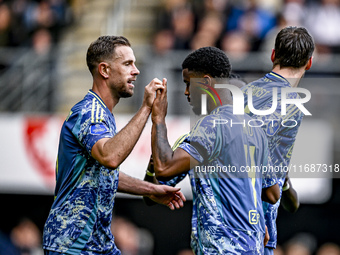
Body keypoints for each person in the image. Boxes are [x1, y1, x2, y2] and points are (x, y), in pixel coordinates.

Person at [42, 35, 186, 255]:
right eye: (128, 64)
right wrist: (146, 108)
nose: (136, 71)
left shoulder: (103, 114)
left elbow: (104, 174)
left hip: (99, 244)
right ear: (105, 70)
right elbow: (111, 158)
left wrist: (150, 189)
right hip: (73, 244)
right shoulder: (90, 111)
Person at [148, 46, 280, 254]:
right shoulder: (256, 130)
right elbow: (272, 194)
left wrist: (158, 118)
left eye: (188, 83)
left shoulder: (211, 125)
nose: (186, 92)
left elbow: (164, 169)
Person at [241, 26, 315, 255]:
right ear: (309, 63)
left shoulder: (241, 93)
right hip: (254, 230)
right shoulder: (292, 102)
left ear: (273, 55)